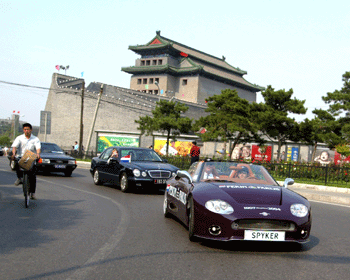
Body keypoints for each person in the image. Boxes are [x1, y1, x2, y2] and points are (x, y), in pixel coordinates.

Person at [11, 123, 41, 200]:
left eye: (28, 129)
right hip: (21, 156)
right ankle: (19, 178)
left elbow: (38, 148)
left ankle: (32, 193)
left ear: (31, 130)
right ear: (23, 130)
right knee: (17, 163)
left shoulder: (35, 139)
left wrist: (38, 154)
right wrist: (14, 153)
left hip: (31, 157)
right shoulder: (19, 138)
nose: (26, 131)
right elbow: (14, 147)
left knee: (33, 175)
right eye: (25, 129)